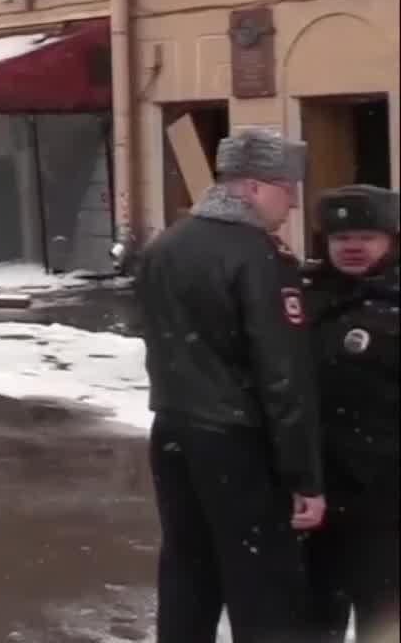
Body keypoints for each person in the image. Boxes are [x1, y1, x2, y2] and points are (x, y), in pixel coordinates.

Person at [133, 126, 324, 642]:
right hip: (239, 442)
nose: (291, 206)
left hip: (173, 429)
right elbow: (281, 373)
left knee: (187, 569)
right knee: (263, 583)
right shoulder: (260, 256)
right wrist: (303, 476)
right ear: (257, 187)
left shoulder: (165, 246)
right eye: (288, 190)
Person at [304, 184, 400, 642]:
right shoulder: (302, 296)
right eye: (341, 237)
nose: (353, 247)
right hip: (315, 490)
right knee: (314, 616)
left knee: (382, 619)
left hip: (386, 497)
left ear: (392, 238)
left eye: (367, 235)